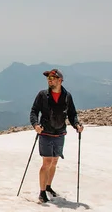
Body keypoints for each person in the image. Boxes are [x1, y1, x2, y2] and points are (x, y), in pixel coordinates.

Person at [30, 68, 84, 203]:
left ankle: (48, 187)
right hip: (46, 132)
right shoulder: (42, 95)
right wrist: (36, 124)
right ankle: (42, 192)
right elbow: (34, 111)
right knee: (47, 162)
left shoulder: (67, 96)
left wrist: (76, 124)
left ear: (60, 80)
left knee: (54, 162)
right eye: (48, 78)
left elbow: (72, 114)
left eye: (52, 78)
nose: (49, 80)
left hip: (60, 132)